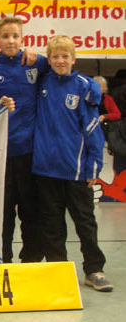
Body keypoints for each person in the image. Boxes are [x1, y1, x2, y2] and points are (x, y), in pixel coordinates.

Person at [33, 35, 112, 292]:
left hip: (76, 171)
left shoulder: (84, 87)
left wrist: (93, 166)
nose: (60, 61)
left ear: (73, 59)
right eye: (55, 56)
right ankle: (58, 270)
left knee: (85, 222)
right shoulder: (41, 82)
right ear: (49, 59)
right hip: (45, 169)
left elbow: (92, 130)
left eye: (65, 56)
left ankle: (94, 270)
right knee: (52, 224)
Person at [0, 17, 48, 263]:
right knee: (3, 212)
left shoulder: (37, 63)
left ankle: (32, 260)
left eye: (15, 36)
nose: (11, 41)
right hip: (0, 153)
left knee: (31, 210)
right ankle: (3, 259)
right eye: (5, 36)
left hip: (30, 152)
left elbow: (63, 65)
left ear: (23, 39)